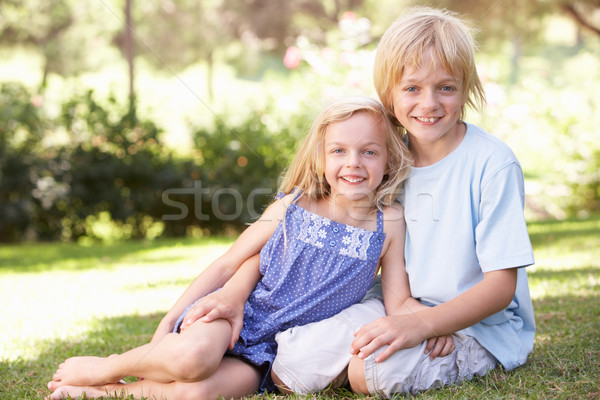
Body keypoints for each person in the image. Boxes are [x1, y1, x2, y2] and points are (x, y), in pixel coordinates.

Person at [46, 95, 415, 400]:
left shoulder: (390, 223)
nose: (353, 163)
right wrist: (168, 321)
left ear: (389, 159)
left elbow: (397, 299)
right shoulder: (295, 205)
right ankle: (107, 366)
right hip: (238, 314)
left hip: (277, 353)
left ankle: (100, 393)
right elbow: (228, 263)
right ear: (320, 158)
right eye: (339, 151)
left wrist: (436, 325)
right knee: (192, 358)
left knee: (198, 395)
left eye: (369, 152)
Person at [270, 6, 536, 397]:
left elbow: (500, 287)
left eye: (445, 87)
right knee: (291, 365)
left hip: (478, 322)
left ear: (465, 88)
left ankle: (364, 362)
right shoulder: (386, 159)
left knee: (369, 373)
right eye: (412, 88)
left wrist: (428, 324)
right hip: (398, 304)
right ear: (389, 94)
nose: (428, 104)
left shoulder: (492, 164)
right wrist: (410, 318)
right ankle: (357, 356)